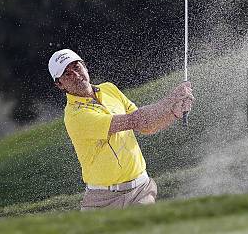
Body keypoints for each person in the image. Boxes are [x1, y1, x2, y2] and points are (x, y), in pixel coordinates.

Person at [47, 48, 194, 210]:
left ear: (85, 66)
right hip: (103, 201)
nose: (76, 75)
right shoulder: (75, 116)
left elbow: (147, 127)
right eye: (67, 74)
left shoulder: (109, 89)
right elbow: (136, 120)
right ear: (59, 84)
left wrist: (173, 112)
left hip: (141, 190)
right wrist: (171, 100)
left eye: (76, 67)